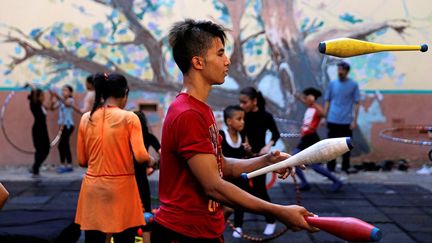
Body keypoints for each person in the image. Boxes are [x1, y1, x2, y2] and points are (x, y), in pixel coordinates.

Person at [152, 19, 318, 243]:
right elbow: (214, 186)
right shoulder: (188, 114)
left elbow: (223, 166)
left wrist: (268, 161)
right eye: (220, 54)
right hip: (183, 233)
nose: (227, 61)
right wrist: (279, 211)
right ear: (198, 62)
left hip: (204, 229)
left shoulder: (201, 109)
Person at [75, 73, 150, 243]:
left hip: (92, 189)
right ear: (125, 93)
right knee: (125, 238)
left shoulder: (86, 118)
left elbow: (82, 161)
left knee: (94, 239)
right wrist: (151, 160)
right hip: (122, 190)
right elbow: (141, 156)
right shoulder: (130, 118)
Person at [239, 86, 281, 235]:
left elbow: (276, 134)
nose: (241, 105)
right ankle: (238, 225)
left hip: (259, 158)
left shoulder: (265, 116)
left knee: (260, 190)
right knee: (240, 191)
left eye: (244, 102)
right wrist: (244, 143)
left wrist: (267, 146)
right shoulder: (242, 115)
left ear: (254, 101)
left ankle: (271, 220)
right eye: (240, 102)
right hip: (243, 158)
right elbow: (240, 133)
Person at [294, 88, 343, 192]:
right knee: (314, 165)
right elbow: (306, 103)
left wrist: (314, 103)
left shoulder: (316, 108)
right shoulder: (309, 107)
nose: (305, 99)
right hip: (307, 138)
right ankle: (336, 181)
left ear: (312, 98)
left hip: (311, 138)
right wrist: (299, 97)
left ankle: (306, 183)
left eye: (307, 97)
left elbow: (324, 114)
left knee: (295, 160)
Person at [219, 105, 251, 238]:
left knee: (241, 202)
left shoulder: (243, 135)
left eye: (243, 119)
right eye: (239, 119)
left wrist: (248, 150)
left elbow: (247, 155)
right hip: (225, 178)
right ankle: (217, 225)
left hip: (239, 177)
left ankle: (238, 226)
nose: (242, 122)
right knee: (227, 207)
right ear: (229, 121)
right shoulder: (221, 135)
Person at [324, 61, 360, 174]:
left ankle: (345, 167)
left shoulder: (353, 85)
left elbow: (357, 103)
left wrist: (354, 120)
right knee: (330, 146)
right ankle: (331, 167)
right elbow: (327, 101)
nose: (339, 71)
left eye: (342, 69)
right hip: (332, 119)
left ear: (347, 71)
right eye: (338, 69)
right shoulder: (332, 84)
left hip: (346, 121)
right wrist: (324, 116)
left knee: (346, 146)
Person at [133, 110, 161, 214]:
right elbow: (162, 154)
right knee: (146, 211)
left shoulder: (127, 136)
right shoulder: (149, 136)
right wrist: (154, 166)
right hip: (141, 176)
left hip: (127, 176)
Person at [26, 84, 53, 178]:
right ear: (37, 96)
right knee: (41, 149)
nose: (43, 97)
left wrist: (52, 96)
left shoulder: (41, 105)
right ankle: (35, 168)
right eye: (42, 95)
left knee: (44, 149)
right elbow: (34, 95)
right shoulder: (34, 104)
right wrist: (32, 86)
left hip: (43, 129)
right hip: (38, 130)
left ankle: (35, 168)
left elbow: (50, 107)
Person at [51, 85, 75, 173]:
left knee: (62, 145)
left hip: (68, 125)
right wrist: (52, 97)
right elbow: (53, 107)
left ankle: (66, 165)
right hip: (63, 126)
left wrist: (57, 96)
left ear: (70, 93)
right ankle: (66, 164)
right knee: (65, 145)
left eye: (66, 90)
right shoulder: (61, 101)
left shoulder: (70, 100)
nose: (64, 92)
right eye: (63, 90)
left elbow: (67, 104)